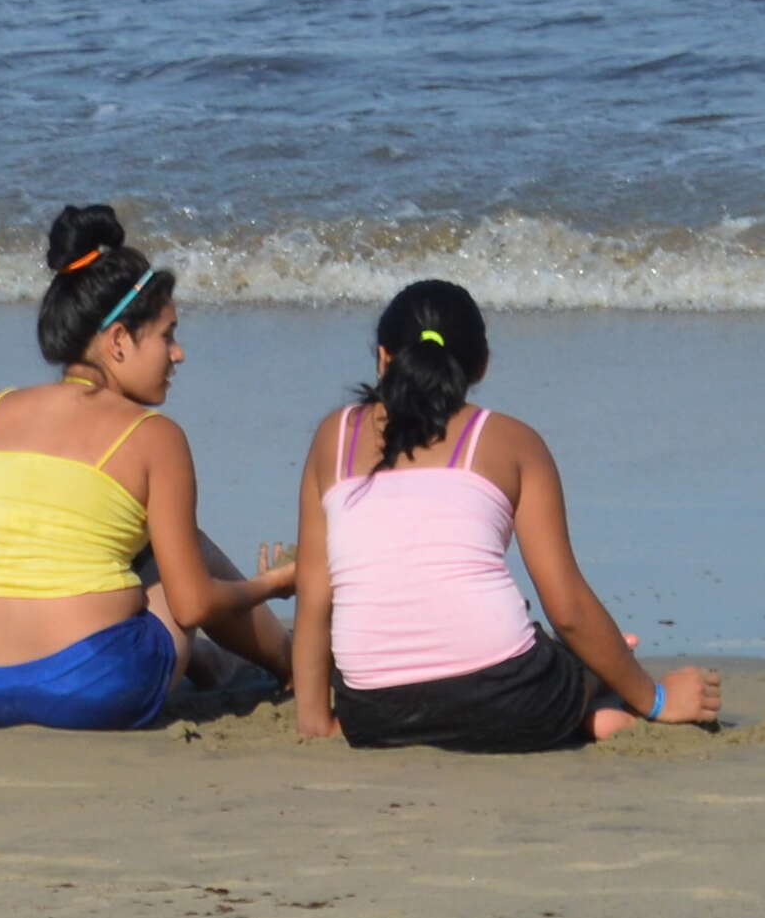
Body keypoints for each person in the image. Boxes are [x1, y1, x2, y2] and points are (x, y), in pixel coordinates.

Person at [289, 278, 721, 753]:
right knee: (583, 658)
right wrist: (657, 699)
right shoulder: (513, 441)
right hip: (512, 701)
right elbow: (568, 607)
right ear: (481, 366)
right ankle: (596, 706)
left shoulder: (334, 437)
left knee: (565, 652)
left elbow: (314, 595)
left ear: (383, 357)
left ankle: (592, 701)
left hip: (375, 715)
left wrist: (317, 721)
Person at [0, 207, 288, 733]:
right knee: (176, 548)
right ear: (118, 341)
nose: (178, 354)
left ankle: (214, 664)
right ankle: (290, 663)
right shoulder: (154, 435)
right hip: (89, 688)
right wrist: (273, 583)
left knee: (102, 538)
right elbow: (195, 603)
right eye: (167, 335)